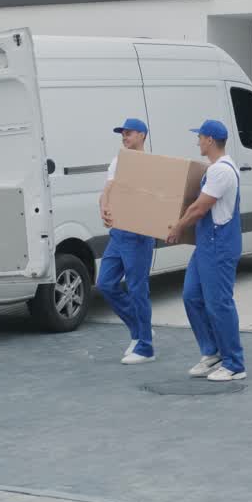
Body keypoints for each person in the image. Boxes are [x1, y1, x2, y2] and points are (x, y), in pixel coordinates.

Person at [167, 119, 246, 382]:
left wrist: (177, 227)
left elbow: (200, 208)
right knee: (191, 296)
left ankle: (234, 363)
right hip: (206, 245)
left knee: (219, 303)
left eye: (199, 137)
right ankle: (212, 352)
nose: (197, 141)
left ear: (210, 140)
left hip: (219, 245)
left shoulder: (220, 171)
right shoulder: (214, 169)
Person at [98, 118, 156, 365]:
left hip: (140, 234)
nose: (124, 136)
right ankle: (140, 329)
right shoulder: (118, 161)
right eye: (122, 133)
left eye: (129, 133)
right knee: (105, 284)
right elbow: (108, 189)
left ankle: (145, 347)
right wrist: (103, 207)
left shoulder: (152, 165)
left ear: (142, 135)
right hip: (119, 232)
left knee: (137, 289)